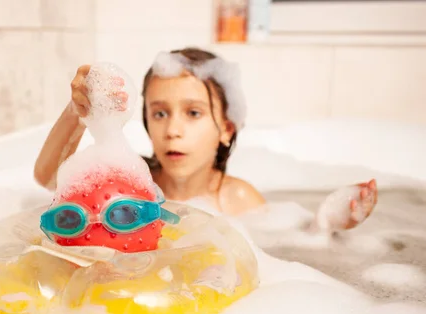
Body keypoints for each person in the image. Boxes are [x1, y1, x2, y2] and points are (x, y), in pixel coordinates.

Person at [34, 47, 377, 232]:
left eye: (193, 113)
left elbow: (289, 245)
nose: (173, 130)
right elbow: (49, 179)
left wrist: (328, 226)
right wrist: (79, 112)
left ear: (226, 128)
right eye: (159, 113)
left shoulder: (238, 198)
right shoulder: (134, 184)